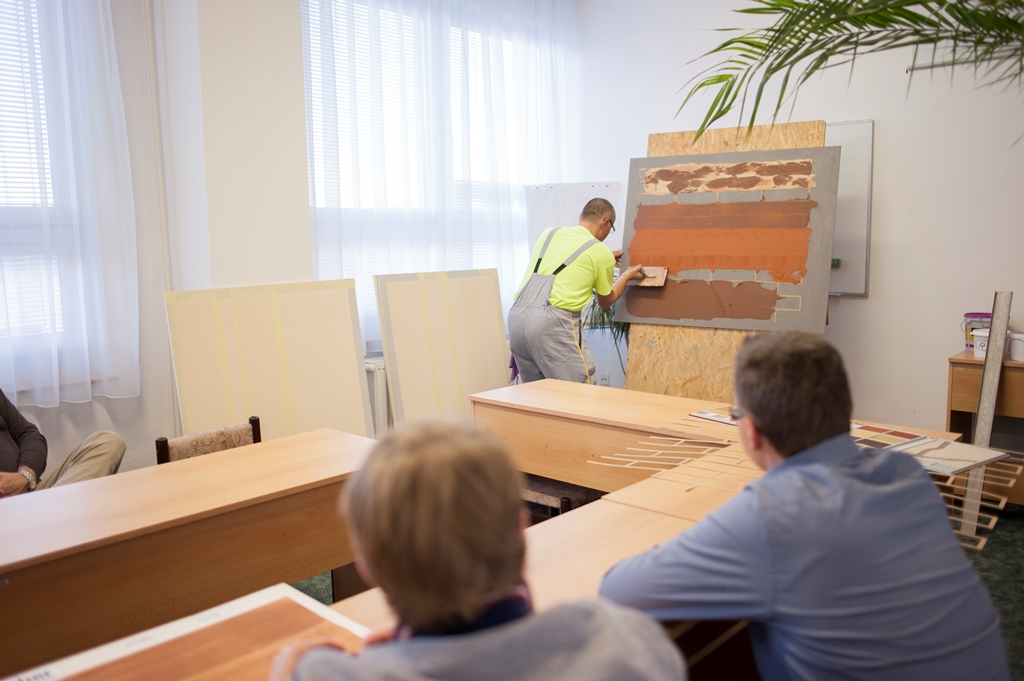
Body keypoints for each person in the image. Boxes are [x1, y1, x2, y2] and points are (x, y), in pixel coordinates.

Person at [599, 332, 1010, 681]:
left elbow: (619, 589)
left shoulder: (770, 516)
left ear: (750, 433)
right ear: (846, 410)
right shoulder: (907, 474)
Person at [270, 421, 685, 681]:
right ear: (522, 529)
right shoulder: (627, 639)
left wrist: (295, 665)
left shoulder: (328, 674)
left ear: (368, 569)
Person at [508, 197, 643, 384]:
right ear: (605, 222)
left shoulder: (549, 233)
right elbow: (605, 301)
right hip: (550, 323)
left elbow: (562, 262)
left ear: (582, 216)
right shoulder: (600, 251)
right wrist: (626, 276)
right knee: (579, 390)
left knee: (537, 391)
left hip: (517, 317)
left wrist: (602, 261)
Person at [0, 388, 126, 497]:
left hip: (34, 492)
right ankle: (60, 508)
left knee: (108, 441)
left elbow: (28, 433)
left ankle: (55, 507)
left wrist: (24, 477)